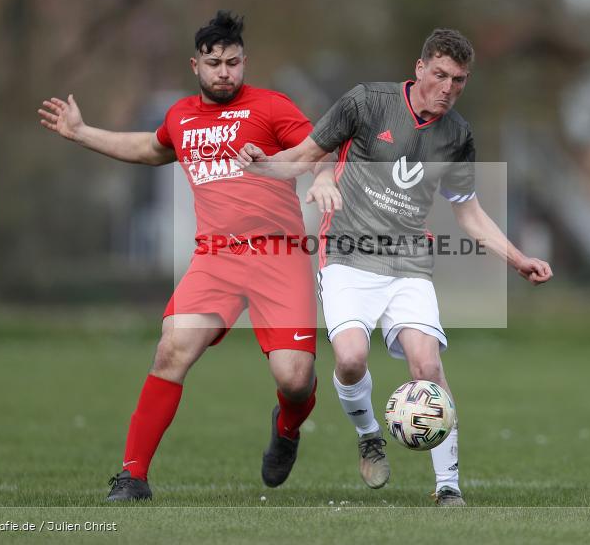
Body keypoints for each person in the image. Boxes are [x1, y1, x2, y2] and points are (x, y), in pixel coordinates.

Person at [237, 28, 553, 506]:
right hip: (346, 254)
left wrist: (518, 259)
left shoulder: (457, 136)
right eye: (441, 75)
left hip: (408, 263)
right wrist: (263, 164)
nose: (448, 88)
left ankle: (448, 487)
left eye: (459, 80)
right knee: (349, 359)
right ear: (420, 67)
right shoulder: (366, 103)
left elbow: (469, 213)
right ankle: (369, 435)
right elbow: (305, 157)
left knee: (427, 366)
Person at [37, 11, 319, 501]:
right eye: (215, 63)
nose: (225, 72)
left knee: (294, 379)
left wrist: (310, 173)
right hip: (216, 258)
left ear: (244, 61)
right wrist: (81, 132)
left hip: (280, 254)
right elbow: (150, 148)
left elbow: (319, 148)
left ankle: (288, 427)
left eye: (233, 62)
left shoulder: (273, 107)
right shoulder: (181, 117)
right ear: (196, 66)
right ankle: (132, 476)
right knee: (171, 349)